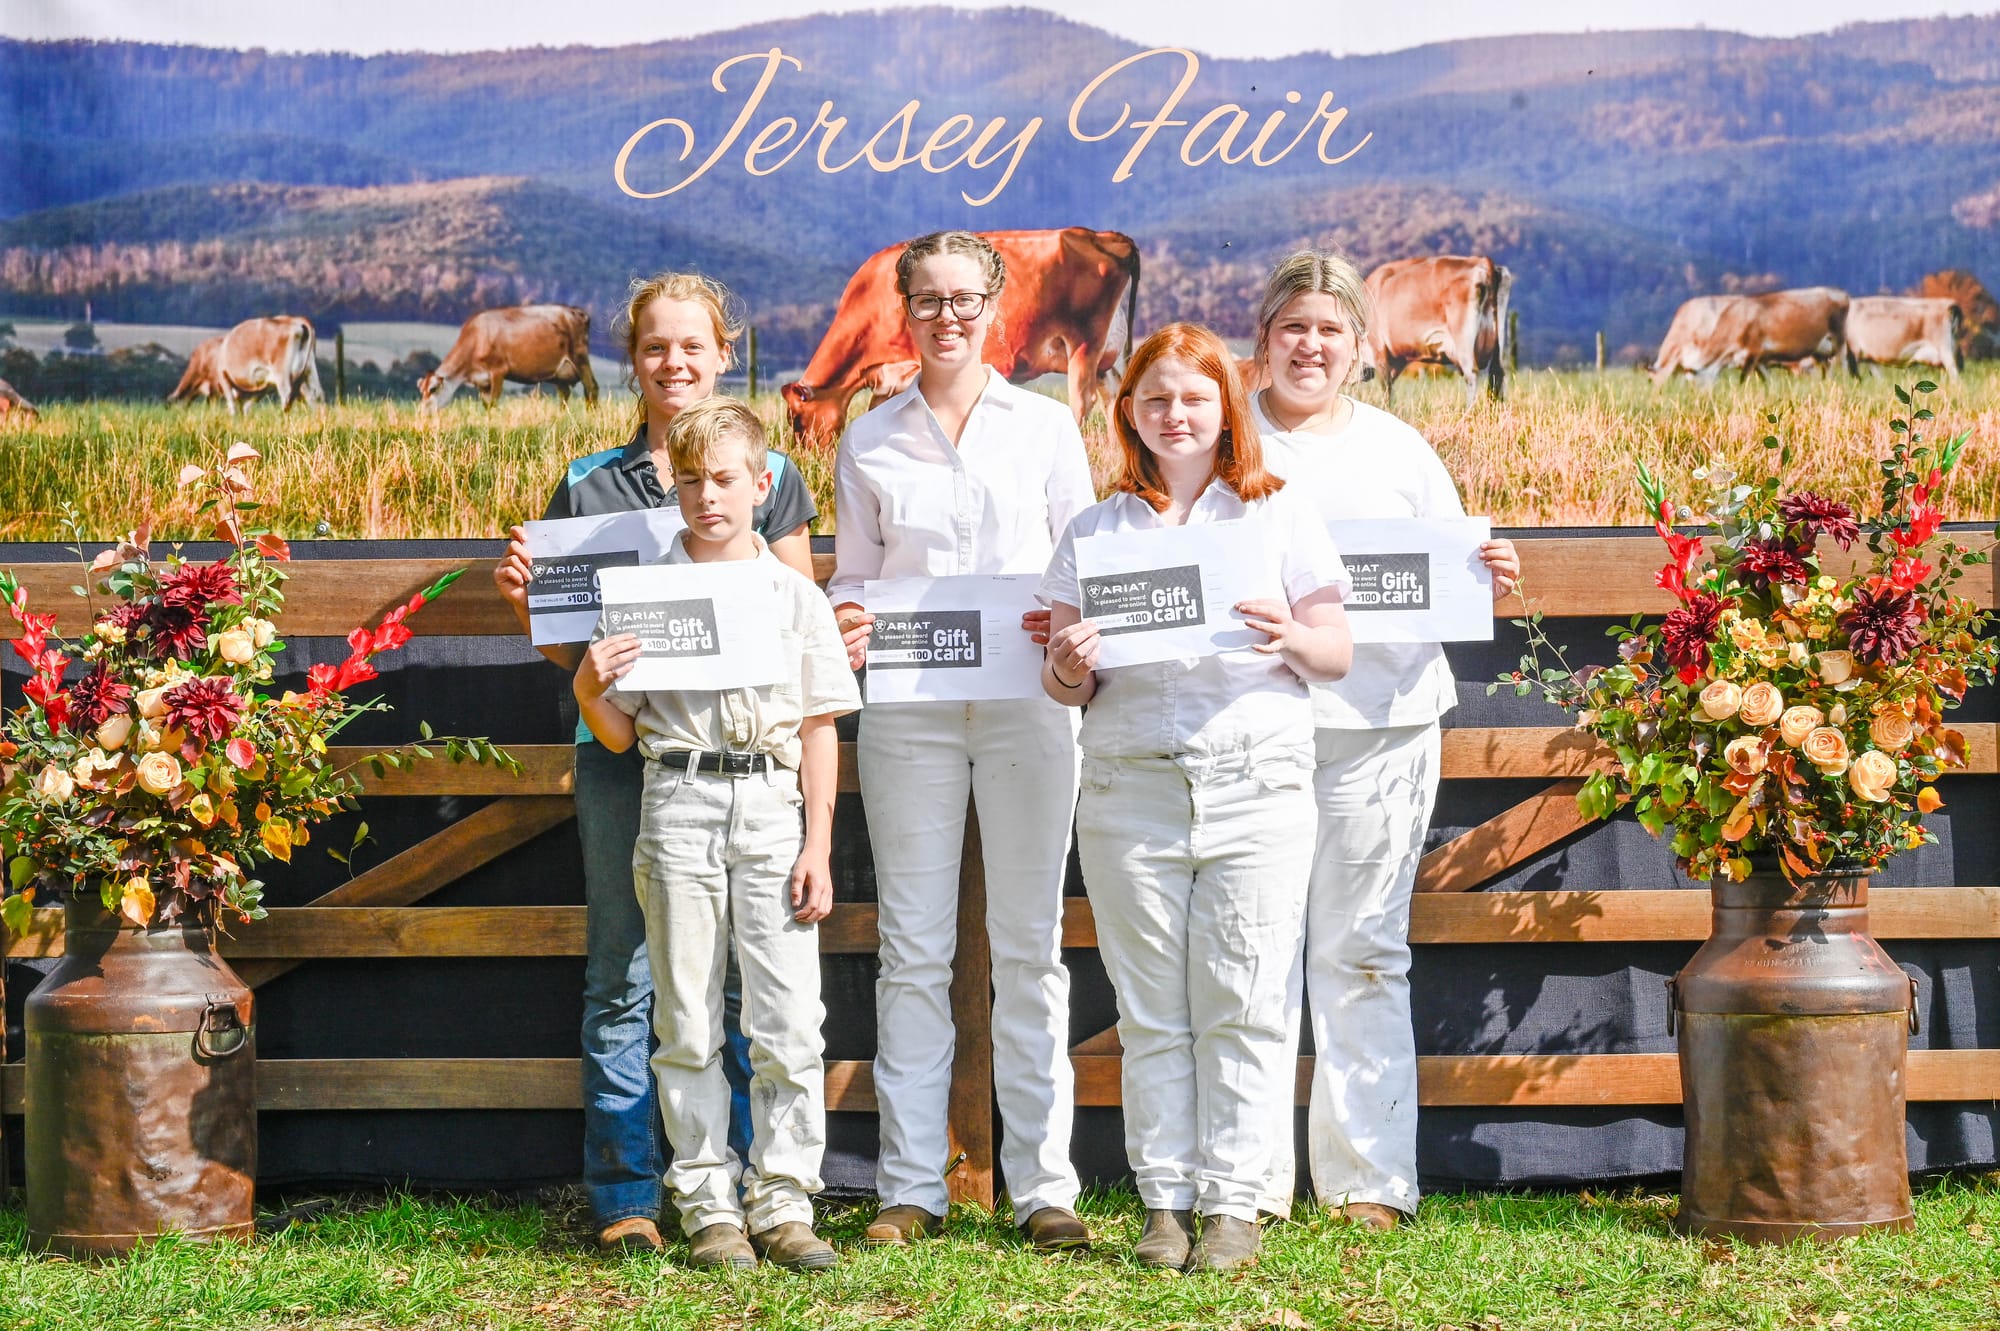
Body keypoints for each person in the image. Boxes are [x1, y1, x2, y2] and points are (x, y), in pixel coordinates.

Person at [492, 272, 819, 1253]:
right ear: (631, 360)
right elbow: (572, 651)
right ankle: (628, 1192)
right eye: (654, 347)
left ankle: (752, 1191)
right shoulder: (589, 483)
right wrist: (528, 609)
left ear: (724, 353)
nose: (674, 363)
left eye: (692, 346)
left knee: (739, 983)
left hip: (740, 764)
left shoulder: (772, 474)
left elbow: (793, 623)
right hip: (621, 756)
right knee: (624, 973)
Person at [1040, 322, 1354, 1272]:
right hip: (1129, 787)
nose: (1175, 414)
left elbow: (1335, 652)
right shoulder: (1096, 531)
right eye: (1156, 398)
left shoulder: (1277, 510)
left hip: (1255, 782)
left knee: (1244, 998)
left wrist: (1288, 637)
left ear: (1226, 407)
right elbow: (1065, 686)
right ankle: (1166, 1202)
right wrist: (1067, 664)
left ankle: (1235, 1203)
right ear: (1128, 412)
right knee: (1150, 1007)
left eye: (1194, 397)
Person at [826, 230, 1095, 1252]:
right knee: (912, 949)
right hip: (910, 712)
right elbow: (854, 576)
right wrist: (849, 618)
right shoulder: (869, 438)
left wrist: (1066, 623)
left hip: (1030, 704)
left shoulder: (1046, 426)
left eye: (964, 298)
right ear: (905, 311)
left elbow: (1081, 561)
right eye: (928, 300)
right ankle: (908, 1186)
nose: (947, 317)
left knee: (1030, 945)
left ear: (997, 306)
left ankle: (1044, 1188)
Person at [1249, 249, 1521, 1230]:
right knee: (1254, 953)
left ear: (1361, 345)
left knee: (1362, 948)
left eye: (1330, 329)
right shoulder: (1224, 442)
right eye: (1293, 327)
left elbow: (1453, 574)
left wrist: (1488, 570)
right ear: (1263, 338)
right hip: (1252, 732)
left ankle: (1367, 1179)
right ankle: (1248, 1183)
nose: (1310, 346)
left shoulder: (1398, 451)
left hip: (1382, 725)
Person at [572, 396, 859, 1270]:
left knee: (788, 1016)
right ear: (673, 485)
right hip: (680, 798)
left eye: (725, 479)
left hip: (771, 802)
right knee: (688, 1013)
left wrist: (818, 842)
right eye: (691, 480)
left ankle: (785, 1200)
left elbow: (819, 724)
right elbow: (616, 731)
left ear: (761, 483)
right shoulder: (643, 596)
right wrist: (588, 685)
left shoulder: (795, 597)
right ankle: (709, 1205)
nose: (707, 496)